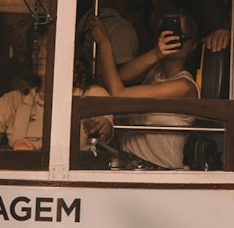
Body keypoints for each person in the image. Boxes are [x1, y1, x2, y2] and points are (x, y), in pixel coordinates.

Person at [84, 10, 200, 167]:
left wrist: (105, 43)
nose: (170, 38)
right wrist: (157, 54)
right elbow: (116, 77)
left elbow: (118, 94)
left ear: (192, 46)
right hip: (129, 166)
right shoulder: (153, 72)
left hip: (162, 172)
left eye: (179, 35)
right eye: (165, 32)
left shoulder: (185, 86)